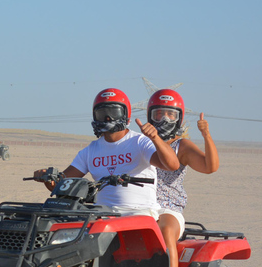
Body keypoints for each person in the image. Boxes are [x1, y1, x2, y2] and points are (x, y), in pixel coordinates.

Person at [33, 88, 179, 217]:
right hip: (102, 214)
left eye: (114, 112)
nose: (108, 118)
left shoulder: (140, 142)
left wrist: (155, 138)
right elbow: (62, 184)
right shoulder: (90, 151)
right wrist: (47, 177)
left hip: (139, 213)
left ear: (125, 114)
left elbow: (172, 165)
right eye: (102, 113)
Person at [146, 89, 219, 267]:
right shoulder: (140, 142)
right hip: (139, 205)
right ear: (150, 116)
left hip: (168, 208)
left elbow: (210, 167)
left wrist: (206, 135)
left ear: (179, 117)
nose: (165, 119)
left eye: (171, 114)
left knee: (166, 230)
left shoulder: (182, 146)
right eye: (159, 114)